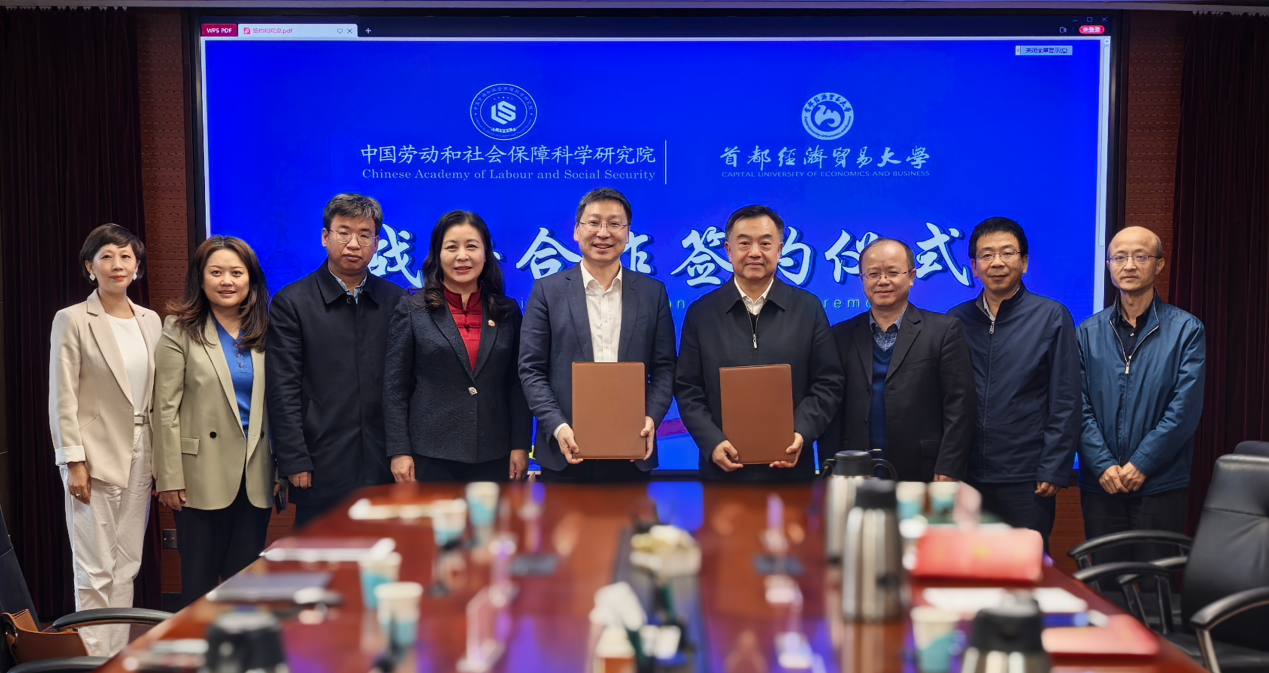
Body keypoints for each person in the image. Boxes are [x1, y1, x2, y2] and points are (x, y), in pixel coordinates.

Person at [48, 224, 161, 657]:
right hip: (93, 457)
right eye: (107, 256)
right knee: (94, 569)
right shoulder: (72, 318)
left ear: (137, 266)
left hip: (143, 450)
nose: (117, 264)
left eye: (126, 256)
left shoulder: (151, 320)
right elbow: (63, 396)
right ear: (89, 267)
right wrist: (72, 461)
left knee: (126, 565)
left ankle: (115, 657)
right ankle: (93, 661)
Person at [675, 205, 844, 481]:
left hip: (791, 468)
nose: (755, 252)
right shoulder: (702, 313)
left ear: (780, 250)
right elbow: (687, 388)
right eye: (744, 243)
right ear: (729, 250)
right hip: (722, 471)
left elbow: (828, 383)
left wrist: (801, 433)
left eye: (765, 243)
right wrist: (712, 442)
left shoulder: (807, 308)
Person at [518, 188, 677, 482]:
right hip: (565, 452)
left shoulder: (652, 293)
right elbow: (531, 369)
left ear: (628, 234)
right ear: (577, 231)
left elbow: (665, 368)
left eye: (614, 224)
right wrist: (557, 426)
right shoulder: (547, 291)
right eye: (593, 222)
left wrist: (651, 419)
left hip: (632, 451)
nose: (603, 233)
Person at [267, 194, 406, 528]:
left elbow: (406, 384)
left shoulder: (397, 301)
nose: (353, 244)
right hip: (320, 464)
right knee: (322, 554)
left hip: (383, 463)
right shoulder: (293, 303)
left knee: (385, 552)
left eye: (364, 234)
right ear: (325, 237)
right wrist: (294, 458)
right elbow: (283, 388)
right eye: (343, 232)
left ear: (377, 243)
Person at [154, 237, 276, 607]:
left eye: (237, 273)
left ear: (251, 279)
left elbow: (281, 404)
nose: (227, 281)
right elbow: (164, 408)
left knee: (245, 589)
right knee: (199, 589)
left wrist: (282, 470)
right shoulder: (179, 329)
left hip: (254, 476)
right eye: (216, 272)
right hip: (198, 477)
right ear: (200, 278)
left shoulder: (268, 329)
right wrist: (169, 477)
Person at [947, 217, 1081, 549]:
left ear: (1024, 262)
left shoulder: (1051, 317)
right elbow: (947, 400)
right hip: (968, 476)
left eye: (1007, 253)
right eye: (986, 255)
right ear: (974, 267)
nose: (997, 262)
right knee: (967, 565)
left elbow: (1066, 399)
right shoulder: (955, 320)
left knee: (1024, 566)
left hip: (1026, 477)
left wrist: (1054, 467)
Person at [1077, 226, 1206, 562]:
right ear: (1108, 265)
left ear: (1159, 264)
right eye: (1119, 257)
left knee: (1156, 586)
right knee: (1105, 584)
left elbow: (1184, 409)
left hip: (1160, 483)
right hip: (1102, 484)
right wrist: (1103, 465)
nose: (1129, 265)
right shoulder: (1087, 332)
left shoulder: (1186, 330)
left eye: (1140, 256)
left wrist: (1142, 464)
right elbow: (1076, 405)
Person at [384, 211, 533, 481]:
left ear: (486, 254)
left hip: (494, 454)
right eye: (451, 247)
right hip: (430, 456)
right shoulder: (412, 309)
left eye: (471, 246)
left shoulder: (507, 311)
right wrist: (399, 451)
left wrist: (520, 444)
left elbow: (517, 384)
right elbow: (395, 387)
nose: (462, 256)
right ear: (437, 255)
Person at [824, 238, 975, 482]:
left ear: (912, 276)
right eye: (873, 274)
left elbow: (959, 406)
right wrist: (831, 466)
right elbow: (831, 407)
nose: (883, 281)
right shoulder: (840, 335)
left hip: (923, 469)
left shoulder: (943, 330)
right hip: (855, 469)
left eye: (893, 272)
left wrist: (950, 466)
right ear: (862, 279)